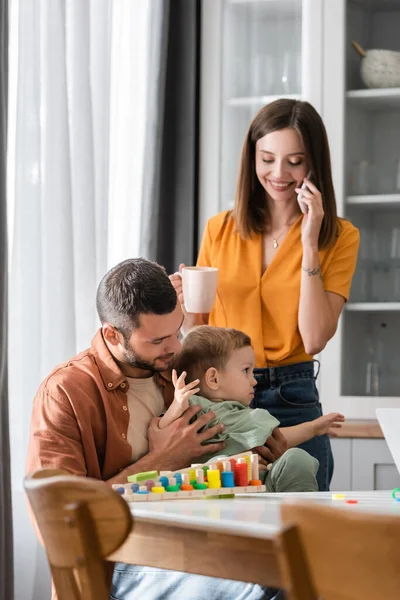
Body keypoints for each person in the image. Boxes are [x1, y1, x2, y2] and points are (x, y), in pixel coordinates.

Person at [26, 257, 286, 600]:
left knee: (308, 568)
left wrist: (268, 456)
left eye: (177, 332)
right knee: (268, 583)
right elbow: (60, 524)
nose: (176, 347)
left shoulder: (177, 371)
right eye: (158, 340)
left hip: (205, 538)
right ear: (112, 335)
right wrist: (164, 458)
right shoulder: (66, 393)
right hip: (118, 560)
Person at [170, 98, 360, 491]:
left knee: (302, 528)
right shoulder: (220, 229)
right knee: (228, 527)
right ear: (251, 158)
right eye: (267, 158)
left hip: (293, 396)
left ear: (314, 164)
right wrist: (181, 305)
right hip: (220, 395)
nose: (279, 173)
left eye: (295, 161)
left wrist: (309, 243)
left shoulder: (339, 237)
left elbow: (314, 338)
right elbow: (197, 332)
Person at [159, 325, 344, 492]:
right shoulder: (193, 405)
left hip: (261, 484)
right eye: (246, 371)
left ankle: (299, 516)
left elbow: (278, 438)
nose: (254, 381)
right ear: (213, 379)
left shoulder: (246, 415)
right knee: (218, 465)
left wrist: (314, 428)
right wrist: (177, 405)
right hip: (215, 489)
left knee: (297, 459)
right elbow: (163, 432)